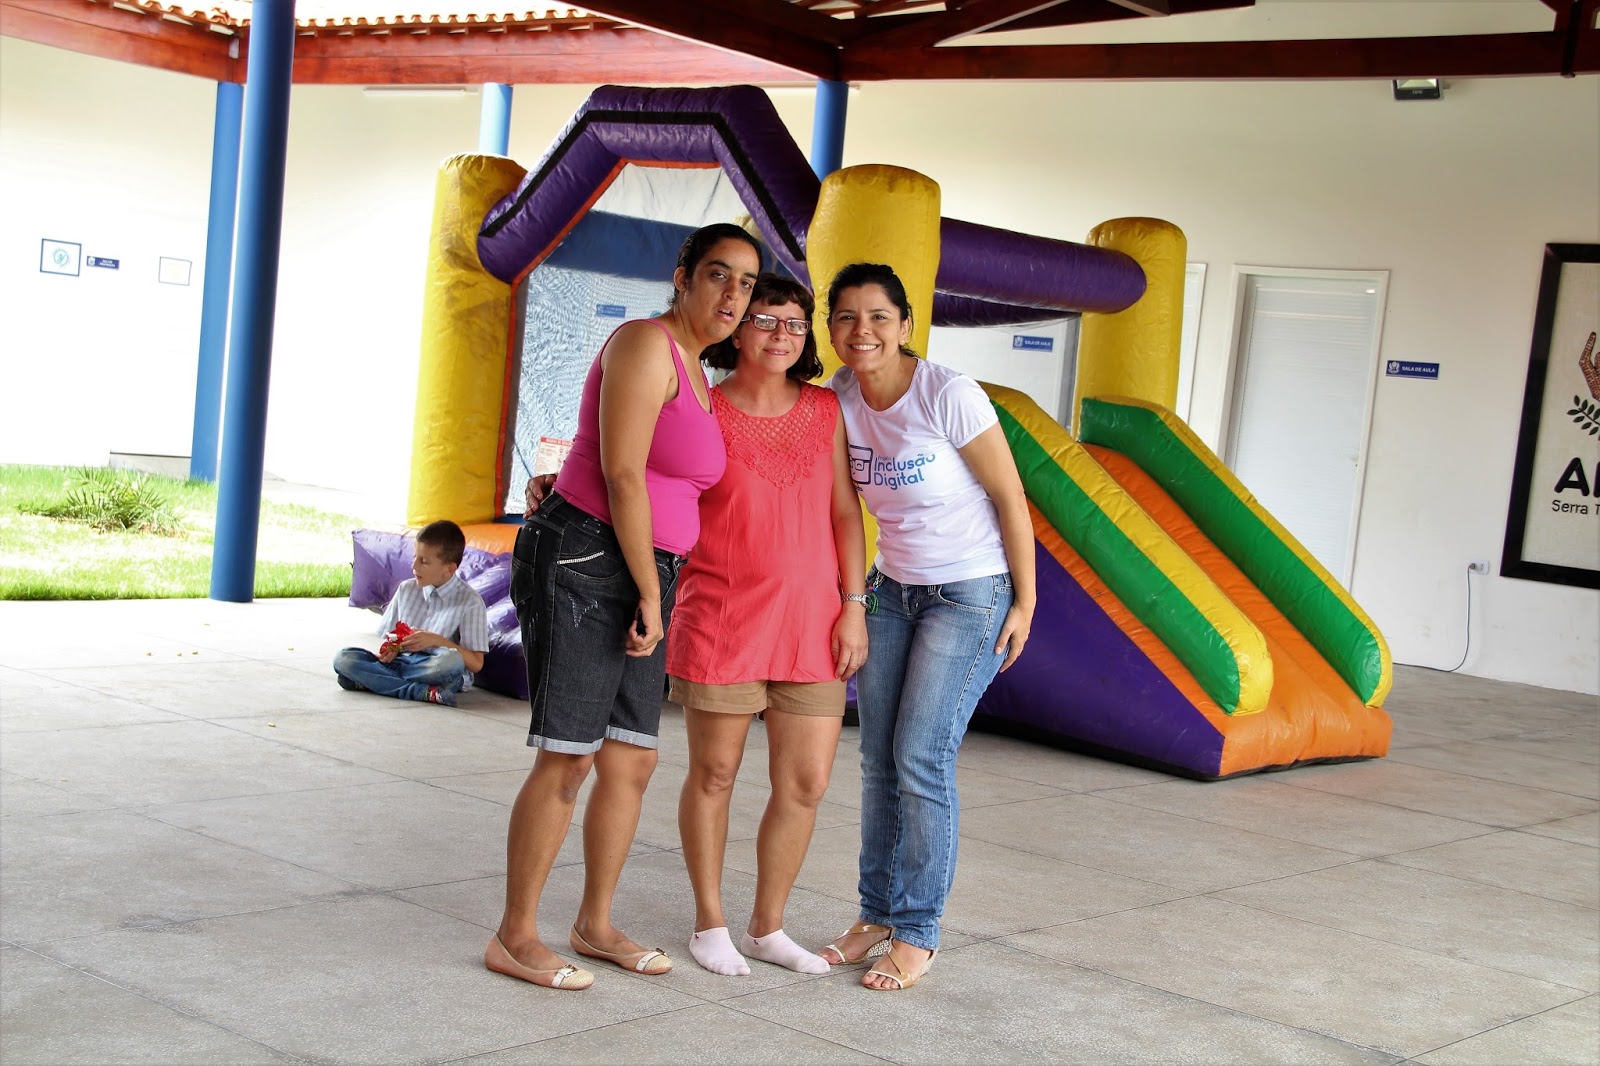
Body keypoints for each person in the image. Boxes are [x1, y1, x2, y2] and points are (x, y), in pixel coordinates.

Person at [485, 222, 761, 992]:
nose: (733, 294)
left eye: (746, 282)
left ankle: (595, 925)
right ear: (682, 276)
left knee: (633, 757)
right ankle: (514, 936)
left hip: (646, 568)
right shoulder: (646, 344)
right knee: (569, 755)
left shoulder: (700, 371)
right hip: (588, 556)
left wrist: (657, 583)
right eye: (718, 274)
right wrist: (647, 588)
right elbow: (622, 473)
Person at [816, 262, 1036, 991]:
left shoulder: (949, 394)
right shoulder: (840, 397)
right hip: (893, 591)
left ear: (906, 324)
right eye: (846, 316)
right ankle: (875, 914)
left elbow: (1010, 498)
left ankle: (917, 931)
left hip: (969, 592)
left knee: (920, 758)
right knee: (878, 758)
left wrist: (1025, 604)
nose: (862, 331)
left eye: (878, 316)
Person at [669, 273, 868, 977]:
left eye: (793, 323)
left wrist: (854, 604)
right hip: (721, 616)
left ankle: (767, 928)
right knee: (715, 773)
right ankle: (710, 924)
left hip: (814, 623)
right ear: (737, 327)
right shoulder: (702, 404)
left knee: (807, 782)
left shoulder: (825, 407)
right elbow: (652, 482)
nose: (781, 335)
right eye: (764, 320)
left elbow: (845, 512)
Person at [332, 519, 487, 707]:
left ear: (449, 569)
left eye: (424, 561)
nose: (414, 566)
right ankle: (420, 691)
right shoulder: (406, 589)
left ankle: (373, 681)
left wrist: (436, 640)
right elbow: (389, 638)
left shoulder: (470, 602)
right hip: (402, 663)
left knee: (451, 662)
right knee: (344, 659)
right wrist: (391, 648)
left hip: (435, 668)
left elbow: (476, 663)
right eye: (415, 557)